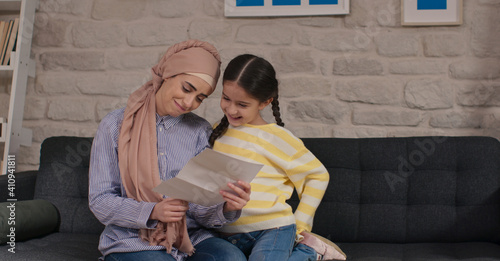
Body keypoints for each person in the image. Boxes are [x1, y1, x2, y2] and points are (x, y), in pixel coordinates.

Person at [88, 40, 250, 261]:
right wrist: (152, 212)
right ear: (167, 74)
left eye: (200, 98)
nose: (189, 102)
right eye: (187, 88)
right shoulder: (115, 125)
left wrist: (226, 206)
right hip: (133, 239)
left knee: (232, 258)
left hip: (192, 238)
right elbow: (100, 200)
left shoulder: (199, 130)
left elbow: (198, 206)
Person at [208, 54, 332, 260]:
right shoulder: (217, 131)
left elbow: (317, 175)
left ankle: (310, 250)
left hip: (273, 229)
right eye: (226, 98)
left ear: (265, 102)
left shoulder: (277, 138)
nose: (231, 109)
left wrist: (300, 223)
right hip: (225, 232)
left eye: (242, 104)